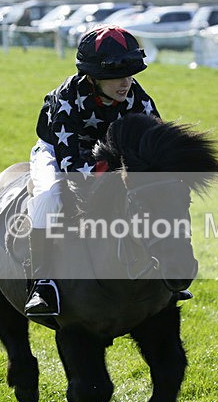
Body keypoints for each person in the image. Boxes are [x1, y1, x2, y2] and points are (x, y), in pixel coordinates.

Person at [24, 25, 160, 316]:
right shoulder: (67, 98)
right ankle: (42, 283)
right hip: (57, 153)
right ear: (93, 77)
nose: (126, 83)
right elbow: (71, 165)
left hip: (110, 156)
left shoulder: (138, 97)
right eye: (117, 77)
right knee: (49, 196)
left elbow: (156, 143)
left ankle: (162, 268)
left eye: (130, 74)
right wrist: (114, 174)